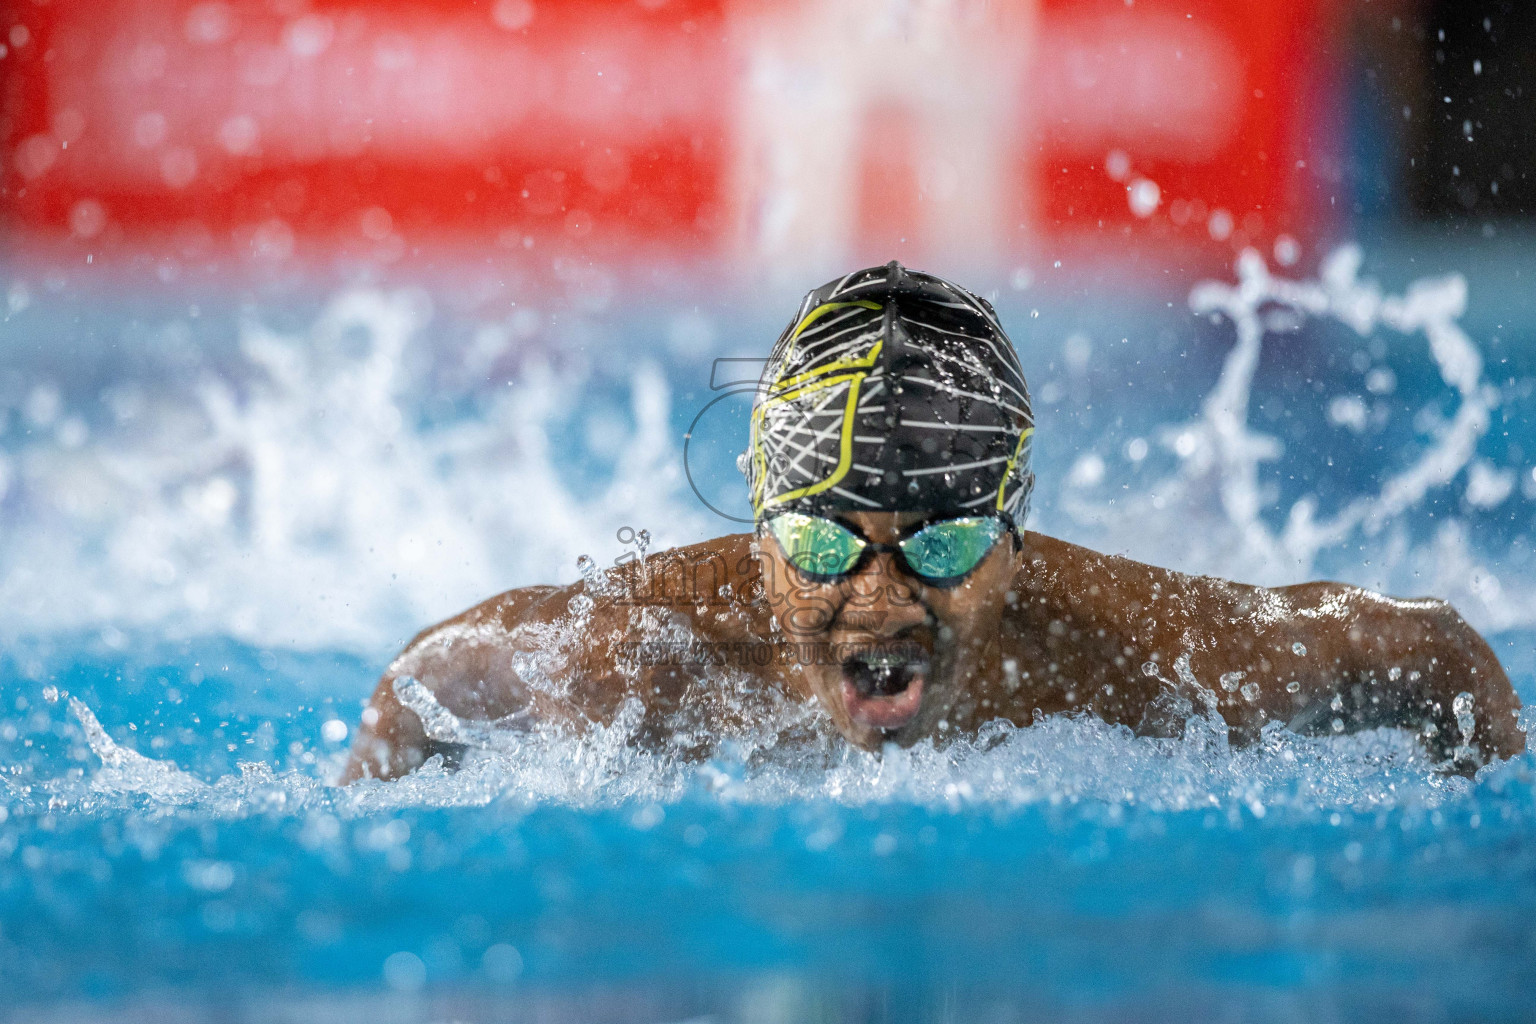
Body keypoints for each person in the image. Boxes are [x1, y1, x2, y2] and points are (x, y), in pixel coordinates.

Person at [341, 262, 1524, 783]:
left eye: (944, 544)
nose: (882, 596)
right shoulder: (640, 657)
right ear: (763, 542)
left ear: (1015, 542)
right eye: (819, 545)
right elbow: (423, 681)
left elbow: (1434, 655)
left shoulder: (1161, 656)